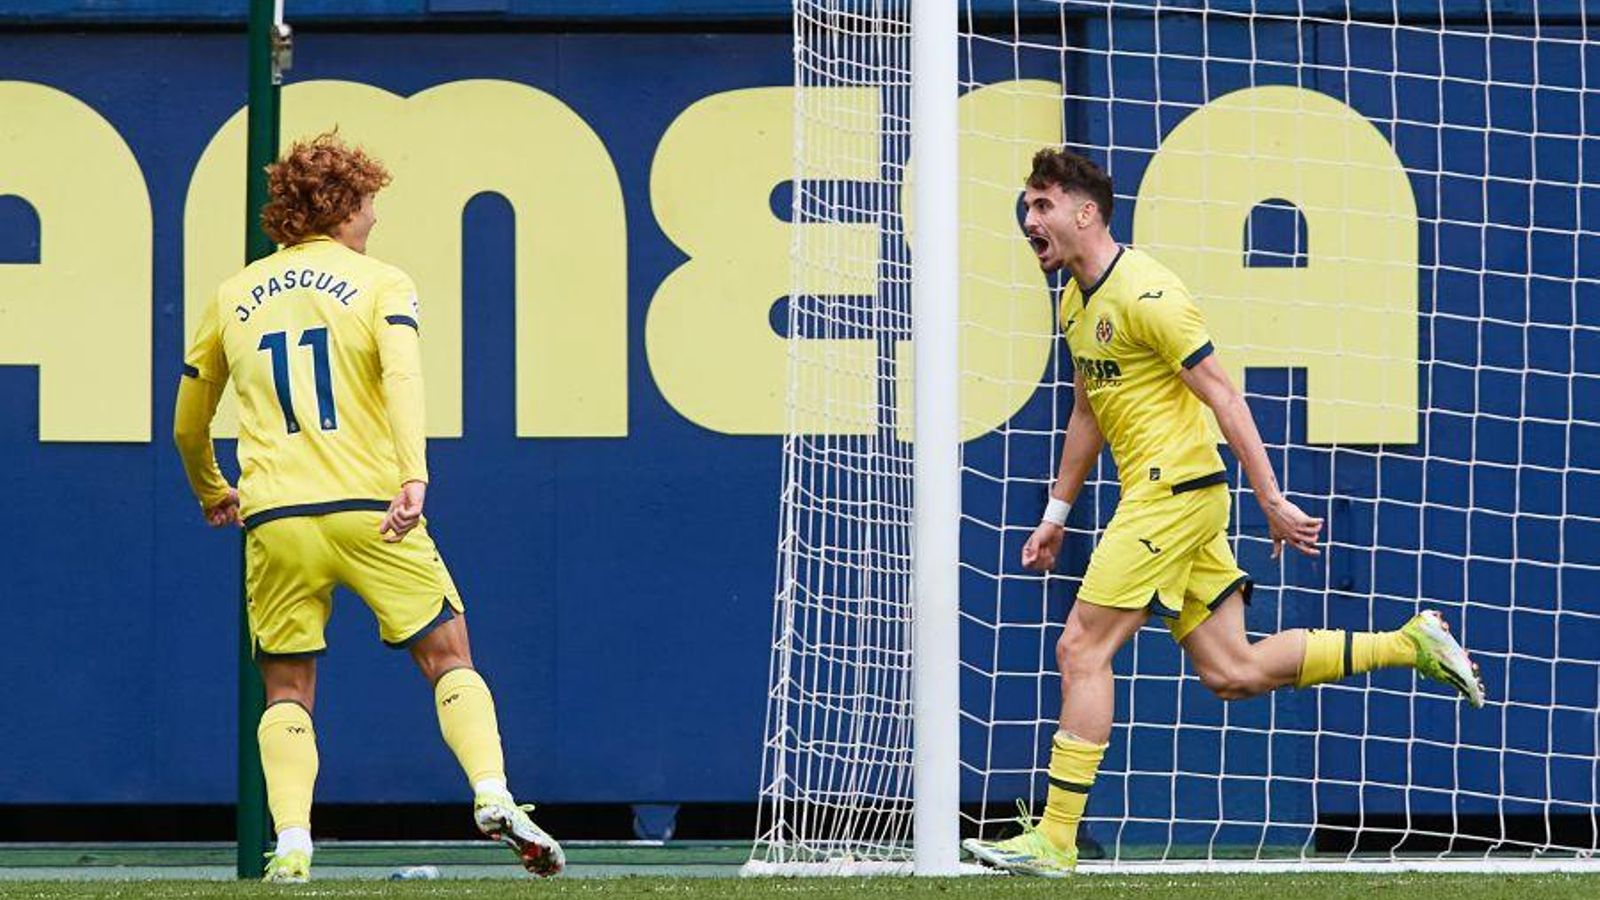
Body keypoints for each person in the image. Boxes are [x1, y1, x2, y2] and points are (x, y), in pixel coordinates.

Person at [962, 148, 1484, 877]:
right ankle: (1411, 643)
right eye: (1026, 207)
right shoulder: (1076, 299)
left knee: (1081, 648)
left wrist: (1270, 497)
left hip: (1171, 493)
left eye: (1041, 206)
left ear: (1086, 212)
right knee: (1232, 670)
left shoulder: (1149, 295)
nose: (1028, 220)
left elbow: (1225, 397)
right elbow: (1088, 409)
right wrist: (1056, 511)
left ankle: (1055, 837)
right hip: (1175, 497)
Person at [173, 132, 562, 883]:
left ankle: (291, 844)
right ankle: (492, 793)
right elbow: (402, 377)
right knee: (448, 654)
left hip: (278, 518)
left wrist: (211, 489)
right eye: (370, 200)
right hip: (371, 508)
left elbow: (189, 422)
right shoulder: (382, 282)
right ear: (344, 204)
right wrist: (413, 474)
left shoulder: (233, 296)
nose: (376, 216)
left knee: (287, 688)